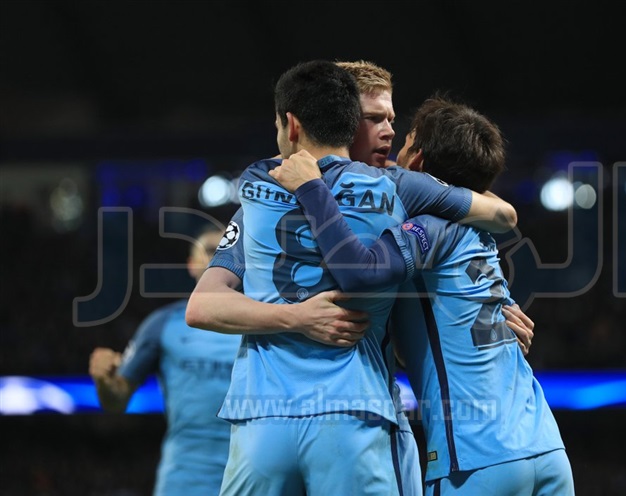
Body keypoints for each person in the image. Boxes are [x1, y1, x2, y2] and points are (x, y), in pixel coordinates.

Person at [185, 60, 520, 496]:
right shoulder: (398, 188)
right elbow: (502, 214)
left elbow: (203, 305)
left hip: (262, 417)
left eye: (392, 120)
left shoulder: (260, 190)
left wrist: (489, 310)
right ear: (343, 119)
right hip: (357, 412)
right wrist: (300, 318)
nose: (389, 132)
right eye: (374, 119)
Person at [270, 96, 574, 495]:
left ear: (417, 162)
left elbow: (361, 271)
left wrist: (312, 188)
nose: (393, 144)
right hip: (546, 448)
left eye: (407, 140)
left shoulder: (428, 227)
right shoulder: (482, 234)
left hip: (476, 457)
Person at [88, 226, 239, 496]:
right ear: (191, 265)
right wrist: (103, 380)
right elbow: (117, 400)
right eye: (209, 250)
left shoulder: (268, 324)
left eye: (228, 250)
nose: (219, 257)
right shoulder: (163, 323)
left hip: (253, 479)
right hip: (184, 481)